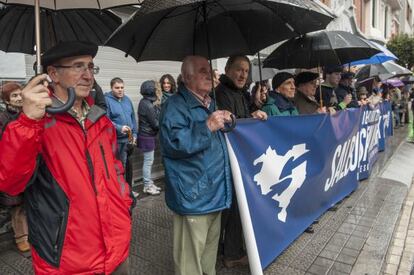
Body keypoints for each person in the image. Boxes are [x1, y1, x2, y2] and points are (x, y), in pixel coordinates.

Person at [0, 41, 133, 274]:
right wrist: (28, 122)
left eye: (91, 67)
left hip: (116, 245)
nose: (88, 75)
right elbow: (11, 183)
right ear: (53, 74)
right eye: (78, 67)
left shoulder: (99, 118)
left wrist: (125, 204)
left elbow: (116, 169)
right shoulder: (33, 124)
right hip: (67, 257)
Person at [159, 55, 233, 275]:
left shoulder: (210, 103)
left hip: (215, 192)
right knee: (189, 263)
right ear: (187, 76)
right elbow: (173, 144)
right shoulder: (174, 105)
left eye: (210, 70)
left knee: (209, 257)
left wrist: (227, 120)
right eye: (203, 71)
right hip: (193, 195)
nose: (209, 75)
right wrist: (207, 126)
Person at [215, 55, 267, 268]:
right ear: (227, 69)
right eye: (238, 69)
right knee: (233, 208)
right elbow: (231, 124)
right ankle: (231, 254)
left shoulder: (240, 94)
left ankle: (229, 250)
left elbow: (242, 117)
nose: (243, 74)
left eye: (246, 71)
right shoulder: (221, 93)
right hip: (229, 161)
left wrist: (254, 112)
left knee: (236, 208)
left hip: (240, 159)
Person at [0, 82, 30, 253]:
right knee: (17, 206)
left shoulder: (27, 114)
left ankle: (31, 233)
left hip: (29, 168)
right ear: (7, 100)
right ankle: (21, 238)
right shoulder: (3, 119)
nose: (19, 98)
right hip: (12, 170)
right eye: (14, 96)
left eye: (20, 94)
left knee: (29, 203)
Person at [105, 77, 138, 169]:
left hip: (129, 141)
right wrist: (119, 128)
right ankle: (119, 183)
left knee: (129, 167)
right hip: (117, 142)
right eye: (117, 88)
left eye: (122, 87)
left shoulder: (127, 99)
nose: (120, 90)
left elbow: (133, 118)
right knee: (119, 167)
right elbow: (105, 120)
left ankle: (128, 183)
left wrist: (135, 135)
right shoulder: (107, 100)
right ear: (111, 88)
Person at [137, 80, 162, 195]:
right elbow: (155, 124)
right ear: (152, 90)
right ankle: (147, 185)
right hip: (147, 136)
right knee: (148, 162)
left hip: (146, 135)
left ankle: (149, 183)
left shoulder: (145, 102)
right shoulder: (148, 105)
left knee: (148, 161)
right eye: (156, 89)